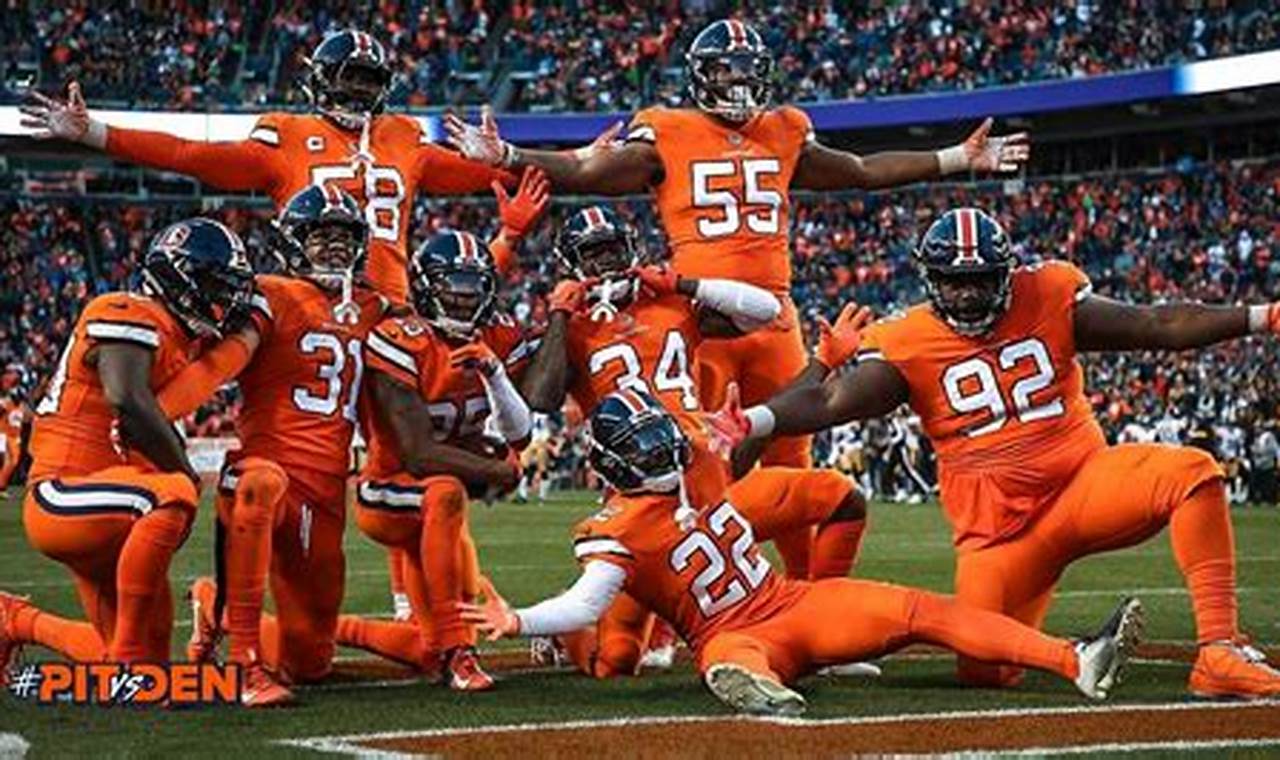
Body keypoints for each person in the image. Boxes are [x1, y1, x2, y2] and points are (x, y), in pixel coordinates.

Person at [444, 19, 1030, 578]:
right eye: (728, 74)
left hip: (775, 319)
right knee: (691, 465)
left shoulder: (784, 128)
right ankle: (678, 608)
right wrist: (509, 157)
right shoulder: (667, 129)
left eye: (749, 73)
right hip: (699, 320)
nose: (740, 86)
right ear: (702, 78)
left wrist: (955, 158)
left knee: (790, 459)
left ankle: (804, 597)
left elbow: (859, 169)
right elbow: (594, 172)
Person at [709, 207, 1280, 699]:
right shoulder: (906, 337)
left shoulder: (1048, 292)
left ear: (1006, 273)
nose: (966, 293)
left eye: (980, 280)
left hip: (1084, 486)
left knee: (1193, 472)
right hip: (1001, 536)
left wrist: (1264, 316)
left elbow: (1159, 323)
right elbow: (835, 399)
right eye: (953, 282)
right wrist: (757, 419)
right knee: (986, 670)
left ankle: (1219, 651)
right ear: (931, 280)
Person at [461, 390, 1141, 716]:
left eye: (656, 439)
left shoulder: (665, 478)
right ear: (615, 462)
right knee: (738, 659)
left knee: (920, 609)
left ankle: (1075, 658)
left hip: (783, 604)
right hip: (752, 624)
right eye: (643, 449)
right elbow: (587, 601)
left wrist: (519, 621)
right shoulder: (629, 514)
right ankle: (764, 689)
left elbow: (584, 600)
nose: (660, 453)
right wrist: (519, 623)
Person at [517, 205, 869, 677]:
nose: (605, 264)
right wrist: (560, 314)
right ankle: (564, 629)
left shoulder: (671, 302)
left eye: (611, 251)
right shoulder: (571, 329)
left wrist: (683, 283)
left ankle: (824, 633)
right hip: (644, 497)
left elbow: (767, 310)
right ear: (571, 265)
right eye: (592, 255)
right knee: (616, 660)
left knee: (839, 496)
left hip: (707, 461)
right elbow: (540, 398)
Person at [0, 219, 254, 680]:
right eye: (215, 286)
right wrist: (188, 477)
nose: (222, 301)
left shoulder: (179, 338)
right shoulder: (126, 309)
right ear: (178, 276)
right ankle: (128, 670)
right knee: (171, 492)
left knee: (140, 658)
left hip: (110, 502)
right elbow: (128, 400)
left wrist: (252, 333)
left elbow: (200, 378)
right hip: (64, 492)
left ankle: (14, 621)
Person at [171, 185, 389, 707]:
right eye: (321, 235)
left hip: (327, 490)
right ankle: (243, 661)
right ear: (294, 241)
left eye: (345, 236)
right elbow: (221, 363)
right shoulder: (270, 294)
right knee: (258, 480)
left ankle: (212, 604)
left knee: (309, 662)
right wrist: (159, 412)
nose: (336, 246)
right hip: (267, 475)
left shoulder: (376, 305)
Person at [345, 231, 536, 691]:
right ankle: (461, 654)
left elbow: (521, 434)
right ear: (427, 287)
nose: (466, 299)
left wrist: (493, 374)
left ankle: (220, 609)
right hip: (387, 491)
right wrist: (495, 470)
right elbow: (419, 453)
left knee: (420, 651)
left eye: (475, 287)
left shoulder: (501, 335)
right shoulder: (400, 338)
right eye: (454, 286)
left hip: (437, 512)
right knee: (446, 492)